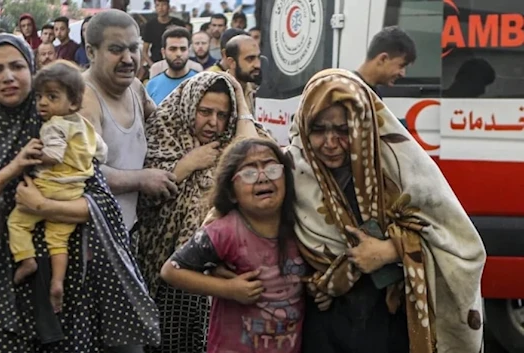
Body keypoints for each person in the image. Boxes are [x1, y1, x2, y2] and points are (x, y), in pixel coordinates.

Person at [0, 33, 160, 352]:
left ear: (30, 70)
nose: (7, 76)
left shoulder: (57, 121)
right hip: (7, 286)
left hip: (69, 287)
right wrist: (11, 169)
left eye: (17, 66)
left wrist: (42, 205)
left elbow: (102, 205)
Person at [283, 69, 486, 352]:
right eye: (318, 129)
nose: (329, 143)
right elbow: (251, 226)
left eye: (343, 130)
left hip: (389, 322)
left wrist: (391, 250)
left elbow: (463, 247)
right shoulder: (291, 171)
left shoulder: (402, 169)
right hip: (323, 324)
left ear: (364, 126)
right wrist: (323, 283)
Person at [136, 71, 259, 353]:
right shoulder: (162, 132)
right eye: (205, 112)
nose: (213, 123)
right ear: (190, 104)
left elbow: (252, 150)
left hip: (215, 275)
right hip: (162, 269)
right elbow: (143, 199)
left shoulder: (229, 143)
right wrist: (187, 165)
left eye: (222, 114)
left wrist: (239, 98)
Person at [161, 137, 306, 353]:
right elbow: (171, 271)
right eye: (249, 173)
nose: (263, 178)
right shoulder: (224, 231)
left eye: (272, 169)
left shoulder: (301, 227)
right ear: (231, 192)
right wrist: (228, 289)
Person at [7, 60, 108, 313]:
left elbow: (54, 155)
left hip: (48, 186)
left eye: (52, 97)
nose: (43, 103)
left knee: (17, 223)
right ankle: (57, 282)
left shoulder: (53, 125)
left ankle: (26, 259)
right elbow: (103, 153)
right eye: (40, 96)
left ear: (73, 102)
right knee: (58, 242)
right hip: (74, 191)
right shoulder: (85, 126)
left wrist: (30, 155)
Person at [80, 10, 177, 233]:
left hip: (129, 229)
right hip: (93, 239)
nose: (127, 59)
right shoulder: (83, 98)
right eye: (116, 50)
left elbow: (167, 122)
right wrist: (141, 179)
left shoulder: (135, 87)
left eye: (133, 49)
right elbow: (84, 170)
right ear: (91, 52)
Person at [355, 26, 416, 98]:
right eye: (401, 66)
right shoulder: (346, 94)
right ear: (383, 59)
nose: (402, 74)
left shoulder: (372, 94)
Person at [146, 27, 198, 105]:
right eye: (173, 49)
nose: (178, 54)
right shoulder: (152, 85)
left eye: (183, 49)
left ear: (189, 51)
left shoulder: (199, 81)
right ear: (163, 52)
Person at [224, 35, 261, 115]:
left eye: (258, 57)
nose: (257, 65)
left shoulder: (256, 91)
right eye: (250, 59)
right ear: (231, 62)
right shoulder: (220, 92)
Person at [142, 0, 186, 66]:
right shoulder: (150, 25)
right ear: (155, 7)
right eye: (157, 5)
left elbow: (185, 45)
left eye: (163, 5)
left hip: (176, 62)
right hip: (156, 62)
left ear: (168, 6)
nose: (160, 8)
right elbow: (145, 51)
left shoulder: (178, 23)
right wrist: (152, 65)